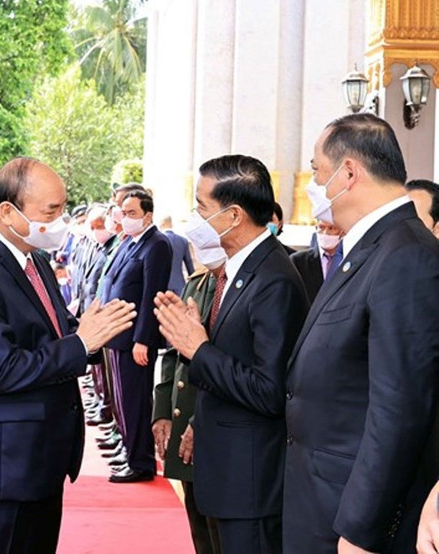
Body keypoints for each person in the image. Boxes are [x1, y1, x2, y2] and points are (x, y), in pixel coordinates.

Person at [0, 157, 136, 554]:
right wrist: (81, 344)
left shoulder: (35, 261)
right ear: (8, 211)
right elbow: (3, 369)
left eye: (63, 209)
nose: (60, 221)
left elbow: (58, 334)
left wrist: (93, 334)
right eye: (50, 211)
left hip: (37, 462)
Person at [284, 113, 439, 554]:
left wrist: (360, 530)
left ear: (348, 172)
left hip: (349, 518)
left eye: (317, 172)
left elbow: (399, 410)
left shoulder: (406, 256)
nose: (314, 185)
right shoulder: (369, 247)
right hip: (319, 499)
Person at [155, 154, 308, 554]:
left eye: (202, 207)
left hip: (250, 481)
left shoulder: (273, 279)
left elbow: (269, 391)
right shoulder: (239, 269)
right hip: (225, 471)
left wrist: (198, 348)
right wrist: (198, 337)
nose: (195, 218)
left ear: (234, 215)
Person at [100, 190, 172, 483]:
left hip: (134, 339)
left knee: (135, 401)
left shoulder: (157, 245)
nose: (126, 218)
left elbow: (151, 294)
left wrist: (143, 339)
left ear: (148, 215)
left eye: (132, 213)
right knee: (122, 400)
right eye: (124, 212)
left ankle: (140, 461)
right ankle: (128, 448)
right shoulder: (129, 241)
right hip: (117, 334)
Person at [152, 260, 223, 554]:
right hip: (186, 425)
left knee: (221, 533)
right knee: (200, 528)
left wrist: (199, 420)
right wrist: (162, 411)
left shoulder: (246, 283)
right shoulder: (199, 281)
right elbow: (174, 352)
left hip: (216, 428)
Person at [289, 220, 344, 303]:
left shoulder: (348, 258)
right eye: (321, 227)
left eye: (331, 228)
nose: (325, 233)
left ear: (342, 231)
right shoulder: (298, 260)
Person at [159, 214, 195, 295]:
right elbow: (189, 264)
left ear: (162, 224)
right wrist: (194, 283)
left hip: (162, 285)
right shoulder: (183, 240)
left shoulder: (158, 241)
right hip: (179, 285)